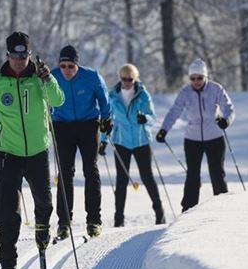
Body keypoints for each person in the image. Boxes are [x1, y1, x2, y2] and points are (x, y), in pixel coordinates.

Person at [0, 31, 64, 269]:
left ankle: (42, 229)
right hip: (8, 154)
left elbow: (59, 100)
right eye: (15, 56)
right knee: (9, 214)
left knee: (44, 203)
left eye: (24, 55)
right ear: (7, 56)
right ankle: (8, 266)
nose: (19, 60)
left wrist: (49, 80)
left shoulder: (39, 79)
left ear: (29, 54)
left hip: (37, 151)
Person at [156, 58, 235, 212]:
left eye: (199, 78)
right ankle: (188, 210)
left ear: (205, 77)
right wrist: (164, 130)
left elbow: (229, 108)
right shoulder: (186, 92)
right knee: (192, 176)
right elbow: (174, 111)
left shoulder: (215, 89)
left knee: (217, 174)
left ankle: (223, 208)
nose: (196, 81)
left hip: (215, 138)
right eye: (193, 78)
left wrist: (226, 121)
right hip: (192, 140)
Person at [50, 45, 112, 239]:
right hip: (62, 126)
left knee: (90, 170)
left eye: (70, 66)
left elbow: (104, 99)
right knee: (65, 172)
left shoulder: (92, 77)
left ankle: (94, 221)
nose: (66, 70)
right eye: (63, 66)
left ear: (77, 64)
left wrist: (106, 119)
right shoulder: (52, 77)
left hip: (88, 125)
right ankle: (64, 223)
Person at [99, 63, 165, 226]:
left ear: (135, 79)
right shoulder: (112, 95)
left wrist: (146, 119)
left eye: (130, 79)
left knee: (147, 177)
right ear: (120, 78)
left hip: (141, 140)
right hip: (121, 141)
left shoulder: (143, 95)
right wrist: (103, 140)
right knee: (121, 180)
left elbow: (153, 117)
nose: (127, 82)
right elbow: (107, 120)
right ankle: (119, 218)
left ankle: (159, 212)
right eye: (124, 79)